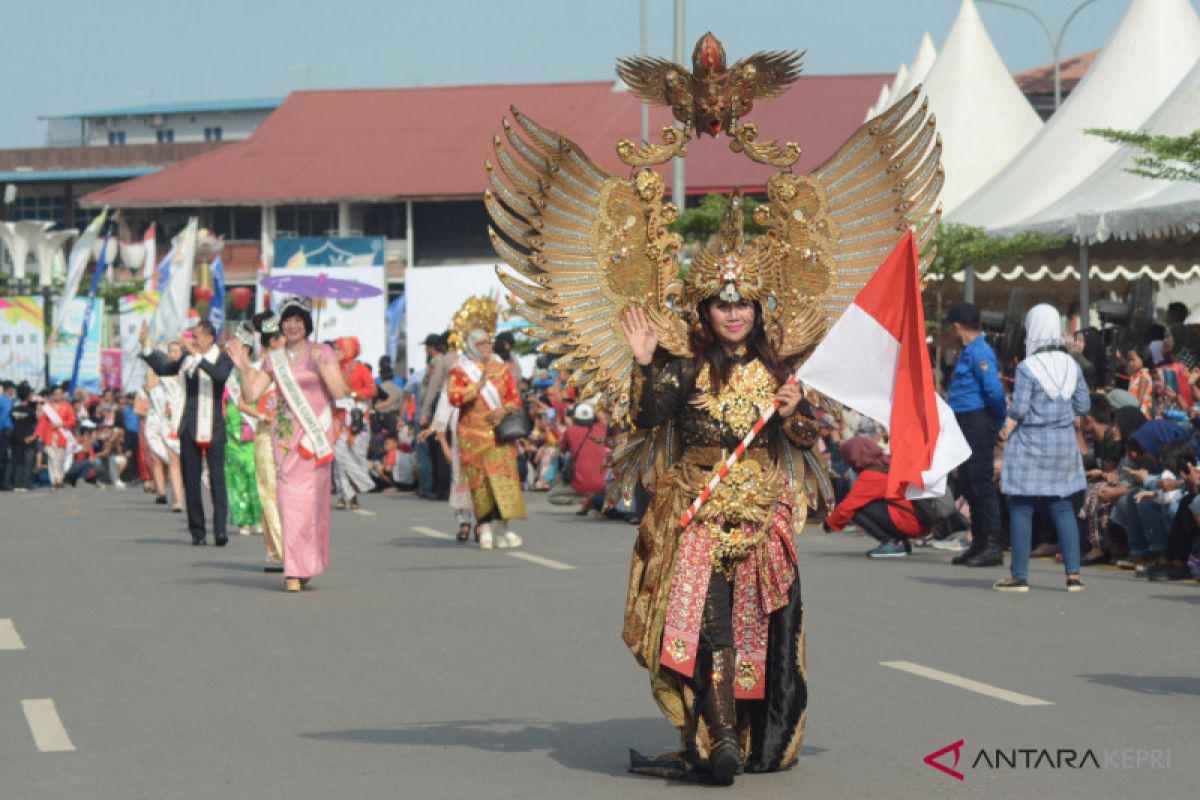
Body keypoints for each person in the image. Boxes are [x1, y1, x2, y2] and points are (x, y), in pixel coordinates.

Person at [618, 269, 815, 784]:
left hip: (760, 516)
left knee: (758, 628)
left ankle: (744, 739)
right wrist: (643, 362)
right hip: (697, 509)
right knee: (710, 624)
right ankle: (720, 736)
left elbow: (806, 437)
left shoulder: (779, 372)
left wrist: (795, 415)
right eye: (723, 306)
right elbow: (646, 416)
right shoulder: (686, 368)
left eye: (744, 305)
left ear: (757, 310)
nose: (734, 315)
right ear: (705, 313)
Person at [228, 297, 348, 592]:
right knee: (289, 502)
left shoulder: (323, 352)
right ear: (281, 325)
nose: (293, 324)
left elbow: (339, 391)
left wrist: (323, 367)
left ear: (307, 323)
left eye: (298, 319)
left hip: (314, 435)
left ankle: (302, 565)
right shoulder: (274, 359)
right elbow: (253, 393)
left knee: (310, 505)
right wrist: (243, 367)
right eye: (288, 319)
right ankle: (293, 569)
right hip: (284, 438)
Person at [993, 305, 1090, 593]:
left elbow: (1020, 408)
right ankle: (1073, 576)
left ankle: (1019, 576)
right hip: (1062, 443)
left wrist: (1007, 426)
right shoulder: (1072, 365)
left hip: (1030, 444)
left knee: (1022, 507)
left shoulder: (1027, 367)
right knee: (1062, 508)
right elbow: (1083, 406)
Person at [140, 321, 235, 545]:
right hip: (189, 426)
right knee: (191, 481)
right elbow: (164, 368)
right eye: (192, 337)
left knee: (217, 479)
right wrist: (146, 347)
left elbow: (220, 376)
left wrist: (198, 358)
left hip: (214, 426)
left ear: (210, 338)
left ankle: (220, 530)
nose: (193, 341)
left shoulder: (222, 358)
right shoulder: (186, 359)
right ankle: (197, 531)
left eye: (198, 337)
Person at [446, 296, 526, 550]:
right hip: (471, 435)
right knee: (480, 485)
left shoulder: (501, 368)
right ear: (470, 345)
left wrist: (503, 410)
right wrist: (476, 386)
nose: (486, 347)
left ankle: (504, 530)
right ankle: (485, 530)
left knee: (505, 482)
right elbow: (454, 396)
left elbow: (514, 398)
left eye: (488, 342)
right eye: (480, 343)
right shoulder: (460, 370)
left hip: (499, 434)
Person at [943, 302, 1007, 567]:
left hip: (977, 422)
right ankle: (979, 542)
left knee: (980, 483)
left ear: (957, 326)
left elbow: (994, 390)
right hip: (965, 422)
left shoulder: (980, 351)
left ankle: (991, 544)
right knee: (967, 482)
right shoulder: (968, 351)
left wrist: (1000, 419)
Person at [823, 436, 927, 557]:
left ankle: (891, 542)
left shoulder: (872, 474)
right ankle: (900, 541)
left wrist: (829, 524)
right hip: (920, 518)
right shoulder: (889, 462)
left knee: (856, 509)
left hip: (908, 522)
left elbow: (848, 507)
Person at [249, 311, 286, 572]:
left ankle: (287, 547)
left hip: (288, 436)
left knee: (289, 492)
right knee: (269, 490)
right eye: (282, 336)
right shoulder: (256, 369)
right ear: (272, 341)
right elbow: (243, 400)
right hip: (265, 436)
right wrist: (262, 415)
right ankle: (276, 549)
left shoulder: (291, 366)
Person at [224, 326, 264, 537]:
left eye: (236, 347)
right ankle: (242, 519)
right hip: (230, 430)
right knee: (235, 475)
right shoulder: (226, 372)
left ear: (246, 349)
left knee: (253, 473)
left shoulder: (256, 369)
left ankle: (257, 517)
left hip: (252, 425)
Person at [331, 336, 377, 511]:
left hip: (357, 420)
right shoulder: (332, 369)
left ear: (349, 350)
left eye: (339, 349)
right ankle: (344, 494)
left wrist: (354, 394)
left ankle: (355, 493)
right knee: (339, 458)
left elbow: (372, 389)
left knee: (357, 457)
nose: (335, 353)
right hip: (338, 419)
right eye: (334, 349)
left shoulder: (360, 368)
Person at [35, 384, 76, 491]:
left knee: (60, 459)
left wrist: (61, 424)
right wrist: (37, 434)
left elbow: (72, 421)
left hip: (62, 436)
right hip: (49, 437)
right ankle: (54, 481)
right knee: (52, 458)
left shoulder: (67, 406)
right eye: (56, 394)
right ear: (52, 395)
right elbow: (42, 422)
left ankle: (59, 479)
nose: (58, 396)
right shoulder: (48, 407)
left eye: (60, 394)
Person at [10, 383, 38, 492]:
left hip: (16, 439)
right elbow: (34, 426)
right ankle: (26, 484)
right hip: (28, 439)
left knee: (18, 462)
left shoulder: (13, 410)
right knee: (28, 462)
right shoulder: (31, 411)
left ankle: (17, 484)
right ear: (28, 396)